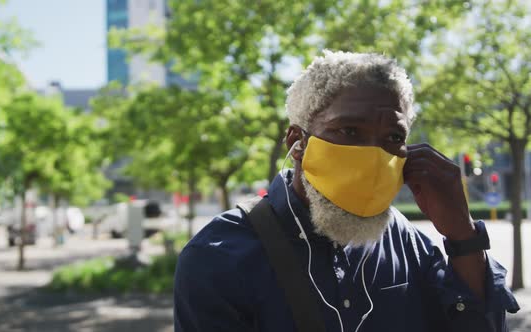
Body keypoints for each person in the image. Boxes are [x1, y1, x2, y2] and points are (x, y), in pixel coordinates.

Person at [174, 51, 519, 332]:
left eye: (394, 138)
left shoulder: (409, 244)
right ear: (298, 143)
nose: (373, 153)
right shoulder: (220, 257)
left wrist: (462, 234)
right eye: (350, 131)